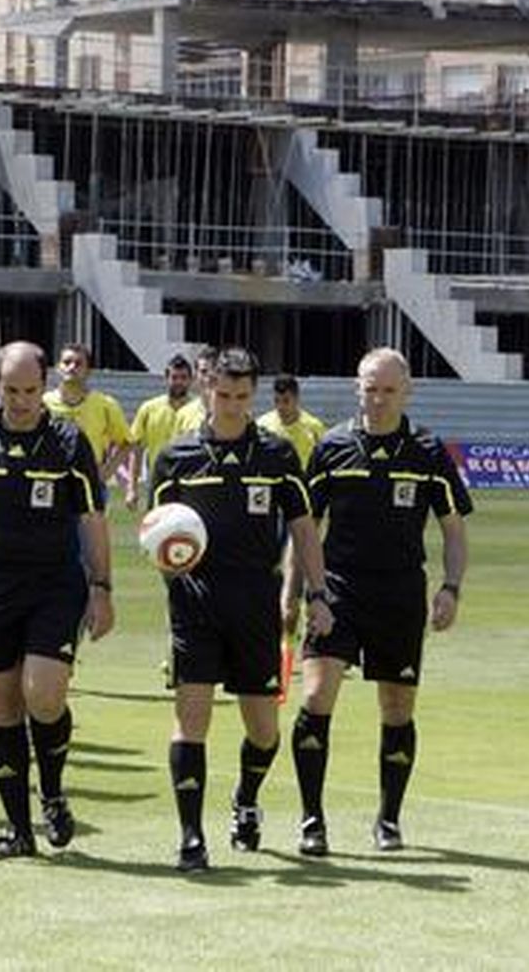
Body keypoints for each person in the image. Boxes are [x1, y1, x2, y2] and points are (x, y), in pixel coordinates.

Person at [149, 347, 335, 872]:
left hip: (257, 607)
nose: (232, 406)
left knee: (263, 731)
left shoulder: (276, 455)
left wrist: (316, 594)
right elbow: (154, 530)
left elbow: (303, 529)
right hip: (194, 605)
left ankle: (246, 798)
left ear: (254, 394)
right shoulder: (176, 457)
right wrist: (170, 567)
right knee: (192, 721)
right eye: (223, 395)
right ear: (208, 388)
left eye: (242, 397)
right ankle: (191, 837)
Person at [286, 348, 471, 855]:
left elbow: (453, 529)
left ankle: (388, 820)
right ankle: (311, 820)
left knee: (396, 707)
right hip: (338, 590)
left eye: (389, 389)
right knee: (316, 698)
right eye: (371, 388)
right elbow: (305, 529)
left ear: (407, 391)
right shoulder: (331, 447)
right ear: (357, 388)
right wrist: (297, 593)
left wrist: (451, 587)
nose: (379, 398)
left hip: (400, 595)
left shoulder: (429, 451)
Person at [0, 343, 114, 859]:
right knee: (4, 707)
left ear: (46, 385)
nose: (20, 401)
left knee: (44, 696)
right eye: (11, 391)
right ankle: (19, 830)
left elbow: (92, 520)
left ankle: (53, 793)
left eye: (31, 391)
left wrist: (102, 589)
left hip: (56, 584)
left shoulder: (68, 442)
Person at [44, 343, 130, 481]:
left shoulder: (106, 405)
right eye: (66, 362)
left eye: (78, 364)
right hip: (52, 476)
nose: (71, 367)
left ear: (88, 371)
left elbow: (126, 443)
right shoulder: (43, 404)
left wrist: (106, 472)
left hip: (90, 477)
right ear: (57, 368)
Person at [126, 354, 194, 509]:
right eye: (174, 377)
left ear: (191, 380)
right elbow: (136, 451)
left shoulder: (200, 410)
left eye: (183, 377)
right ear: (166, 379)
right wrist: (132, 488)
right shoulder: (148, 409)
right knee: (156, 530)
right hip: (158, 480)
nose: (178, 382)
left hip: (190, 481)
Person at [257, 374, 327, 470]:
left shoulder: (314, 428)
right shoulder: (263, 426)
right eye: (276, 401)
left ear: (297, 398)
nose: (280, 407)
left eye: (286, 401)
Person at [173, 344, 219, 436]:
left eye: (215, 370)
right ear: (195, 377)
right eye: (204, 371)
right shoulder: (183, 415)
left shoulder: (235, 414)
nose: (210, 376)